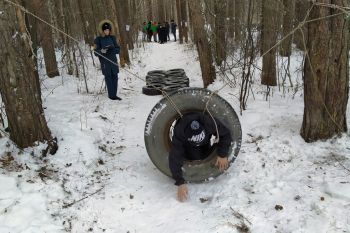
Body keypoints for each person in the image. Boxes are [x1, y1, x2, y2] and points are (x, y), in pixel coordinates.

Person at [168, 112, 232, 202]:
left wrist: (222, 154)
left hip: (205, 143)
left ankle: (203, 147)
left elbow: (225, 134)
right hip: (189, 147)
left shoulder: (209, 123)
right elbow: (175, 156)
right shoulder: (180, 131)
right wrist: (180, 182)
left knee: (203, 154)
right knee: (194, 156)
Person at [94, 20, 122, 100]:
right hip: (105, 62)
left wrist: (113, 49)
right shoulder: (98, 39)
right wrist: (101, 51)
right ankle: (112, 96)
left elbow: (118, 49)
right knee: (108, 77)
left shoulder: (113, 38)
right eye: (105, 30)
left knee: (115, 77)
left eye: (108, 30)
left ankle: (114, 94)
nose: (107, 31)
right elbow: (95, 52)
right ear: (102, 30)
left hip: (113, 61)